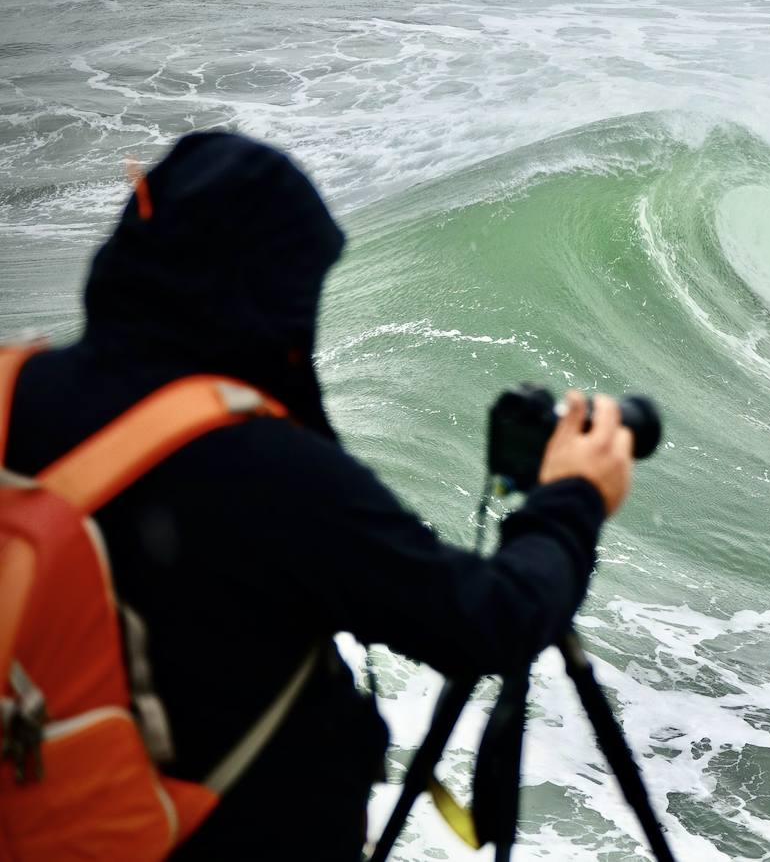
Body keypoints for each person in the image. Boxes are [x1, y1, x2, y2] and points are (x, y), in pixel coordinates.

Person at [2, 132, 633, 859]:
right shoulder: (262, 468)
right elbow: (491, 622)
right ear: (262, 285)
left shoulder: (14, 394)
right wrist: (575, 498)